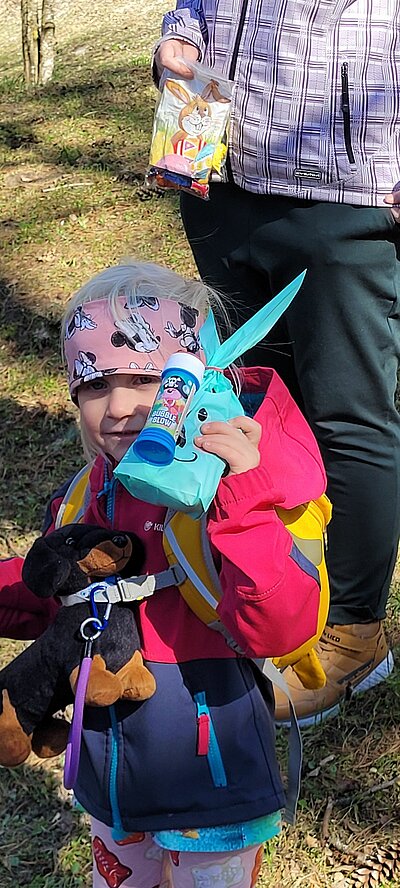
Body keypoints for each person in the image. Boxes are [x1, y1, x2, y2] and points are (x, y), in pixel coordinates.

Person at [0, 260, 327, 886]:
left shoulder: (237, 491)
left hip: (213, 778)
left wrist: (243, 506)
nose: (119, 407)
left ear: (199, 383)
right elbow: (52, 599)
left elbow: (279, 627)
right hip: (112, 782)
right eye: (95, 385)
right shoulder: (85, 494)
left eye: (146, 379)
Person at [153, 1, 400, 726]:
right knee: (259, 405)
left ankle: (353, 631)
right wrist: (178, 41)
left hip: (348, 196)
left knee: (349, 415)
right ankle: (280, 595)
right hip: (220, 177)